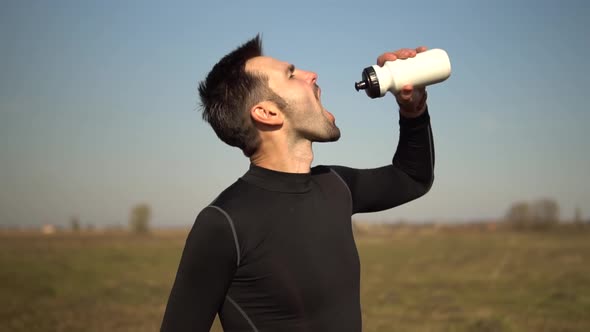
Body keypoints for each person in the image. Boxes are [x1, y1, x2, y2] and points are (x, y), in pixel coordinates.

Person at [160, 35, 434, 332]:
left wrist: (413, 110)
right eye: (291, 75)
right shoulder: (223, 223)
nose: (311, 74)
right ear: (267, 112)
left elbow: (412, 178)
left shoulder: (335, 184)